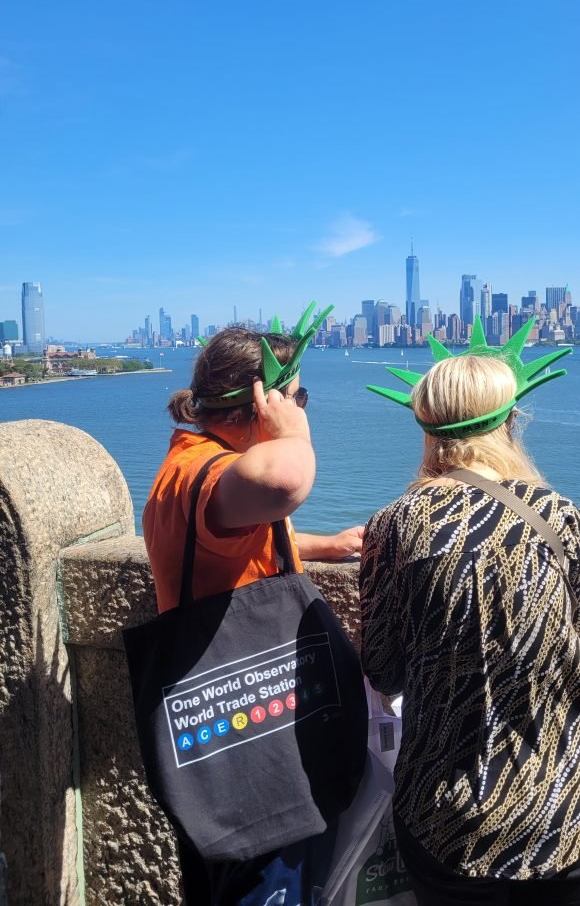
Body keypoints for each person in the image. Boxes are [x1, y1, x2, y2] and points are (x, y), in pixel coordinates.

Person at [360, 318, 580, 906]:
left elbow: (382, 670)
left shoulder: (392, 528)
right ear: (510, 422)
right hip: (568, 813)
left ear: (426, 428)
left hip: (447, 825)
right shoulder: (556, 516)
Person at [142, 311, 363, 906]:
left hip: (224, 761)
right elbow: (284, 483)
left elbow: (239, 538)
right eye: (297, 397)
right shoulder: (203, 476)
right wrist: (294, 430)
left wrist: (324, 545)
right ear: (257, 406)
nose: (302, 407)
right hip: (256, 769)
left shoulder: (187, 466)